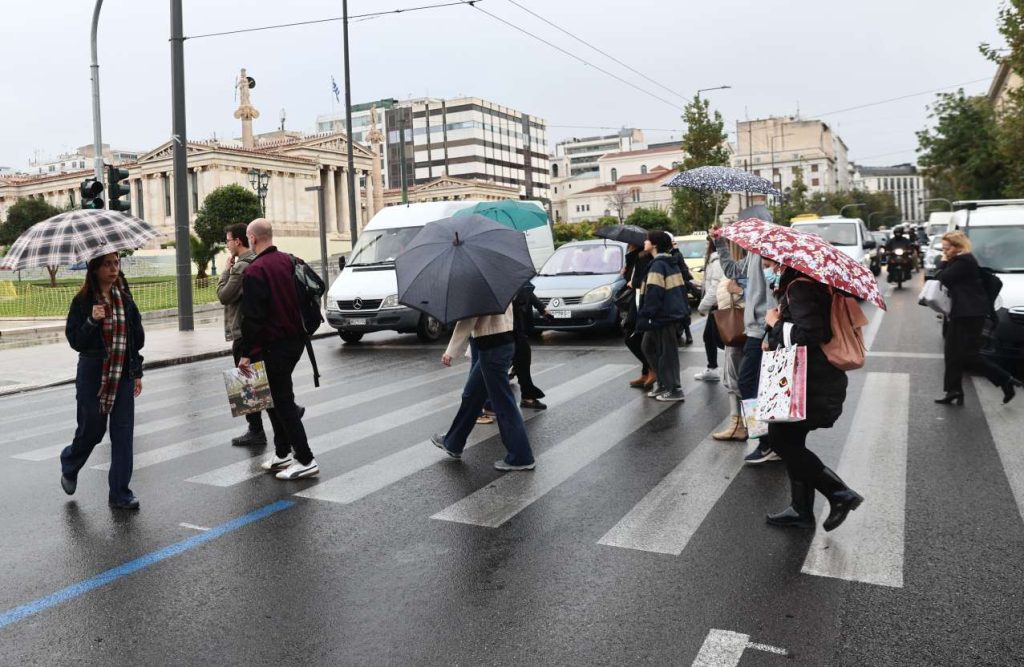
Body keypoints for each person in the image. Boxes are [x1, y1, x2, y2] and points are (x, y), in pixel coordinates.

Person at [762, 259, 863, 532]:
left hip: (807, 382)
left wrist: (774, 324)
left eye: (768, 257)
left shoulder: (800, 288)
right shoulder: (812, 284)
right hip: (813, 379)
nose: (764, 260)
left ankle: (839, 493)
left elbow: (812, 333)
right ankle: (801, 510)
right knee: (793, 441)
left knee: (782, 441)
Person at [60, 253, 145, 510]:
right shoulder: (83, 301)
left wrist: (137, 372)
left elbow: (136, 339)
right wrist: (91, 321)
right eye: (107, 264)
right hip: (93, 373)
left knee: (123, 434)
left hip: (123, 374)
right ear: (95, 269)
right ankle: (70, 463)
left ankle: (120, 493)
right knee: (93, 430)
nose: (113, 268)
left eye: (116, 263)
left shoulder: (126, 300)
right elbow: (75, 340)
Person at [237, 219, 319, 480]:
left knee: (282, 402)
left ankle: (305, 458)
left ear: (252, 238)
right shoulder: (290, 260)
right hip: (296, 341)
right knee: (272, 399)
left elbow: (253, 318)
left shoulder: (255, 271)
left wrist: (246, 353)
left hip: (273, 346)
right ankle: (283, 453)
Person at [431, 303, 536, 471]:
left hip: (493, 347)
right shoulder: (496, 282)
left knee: (503, 403)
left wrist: (451, 351)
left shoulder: (477, 286)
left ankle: (521, 457)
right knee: (472, 395)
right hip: (497, 345)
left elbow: (469, 318)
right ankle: (453, 443)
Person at [714, 215, 780, 463]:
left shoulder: (770, 253)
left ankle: (767, 441)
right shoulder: (753, 253)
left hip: (763, 331)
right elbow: (732, 270)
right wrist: (719, 242)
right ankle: (769, 440)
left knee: (750, 384)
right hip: (753, 329)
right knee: (755, 386)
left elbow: (776, 296)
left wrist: (768, 332)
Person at [935, 230, 1023, 405]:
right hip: (962, 312)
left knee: (969, 355)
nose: (944, 251)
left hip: (971, 314)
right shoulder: (958, 261)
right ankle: (954, 390)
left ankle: (1005, 379)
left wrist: (943, 263)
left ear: (957, 246)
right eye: (943, 248)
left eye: (947, 247)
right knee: (952, 353)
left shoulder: (964, 261)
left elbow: (944, 278)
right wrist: (946, 261)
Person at [218, 222, 265, 447]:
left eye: (227, 240)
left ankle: (255, 430)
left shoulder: (240, 266)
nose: (227, 245)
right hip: (258, 329)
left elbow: (224, 295)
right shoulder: (259, 260)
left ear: (237, 241)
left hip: (242, 331)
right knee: (256, 380)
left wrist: (226, 269)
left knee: (247, 382)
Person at [638, 231, 689, 402]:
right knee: (648, 347)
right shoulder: (664, 262)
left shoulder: (659, 264)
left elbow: (654, 292)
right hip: (666, 314)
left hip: (663, 315)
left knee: (667, 353)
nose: (645, 242)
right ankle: (663, 383)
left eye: (647, 239)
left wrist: (647, 315)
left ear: (655, 244)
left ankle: (674, 388)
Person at [510, 282, 549, 410]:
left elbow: (526, 289)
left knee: (523, 356)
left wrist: (541, 308)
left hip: (515, 325)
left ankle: (527, 395)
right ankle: (482, 406)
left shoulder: (510, 273)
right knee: (481, 371)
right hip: (500, 329)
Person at [622, 243, 655, 389]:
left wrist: (632, 281)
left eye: (630, 243)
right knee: (637, 337)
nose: (627, 245)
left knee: (632, 338)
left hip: (641, 303)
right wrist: (625, 272)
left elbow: (641, 280)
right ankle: (646, 372)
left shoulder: (643, 257)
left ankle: (652, 368)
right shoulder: (635, 257)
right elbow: (630, 277)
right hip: (636, 302)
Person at [695, 236, 722, 382]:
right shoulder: (713, 261)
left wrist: (703, 306)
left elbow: (715, 287)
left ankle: (714, 369)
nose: (705, 246)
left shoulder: (716, 261)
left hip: (716, 305)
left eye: (707, 243)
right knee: (709, 337)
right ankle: (712, 368)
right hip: (715, 305)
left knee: (721, 339)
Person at [668, 233, 701, 345]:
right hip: (669, 287)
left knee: (683, 310)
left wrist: (690, 281)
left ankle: (688, 333)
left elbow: (683, 268)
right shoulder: (663, 255)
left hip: (680, 286)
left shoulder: (676, 254)